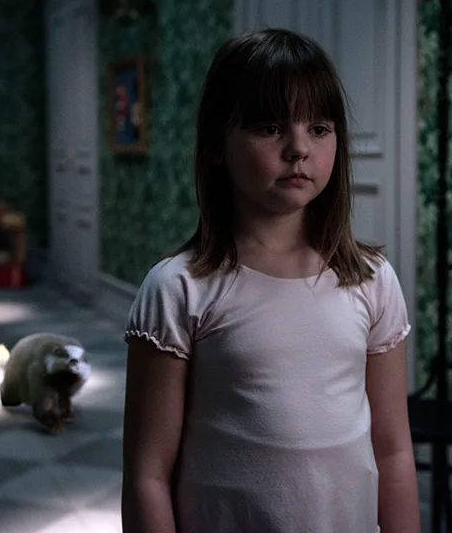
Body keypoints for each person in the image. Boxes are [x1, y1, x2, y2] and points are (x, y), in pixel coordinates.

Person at [121, 28, 421, 533]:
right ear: (218, 143)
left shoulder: (371, 281)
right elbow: (147, 475)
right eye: (270, 128)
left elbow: (393, 452)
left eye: (319, 128)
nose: (298, 148)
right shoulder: (179, 289)